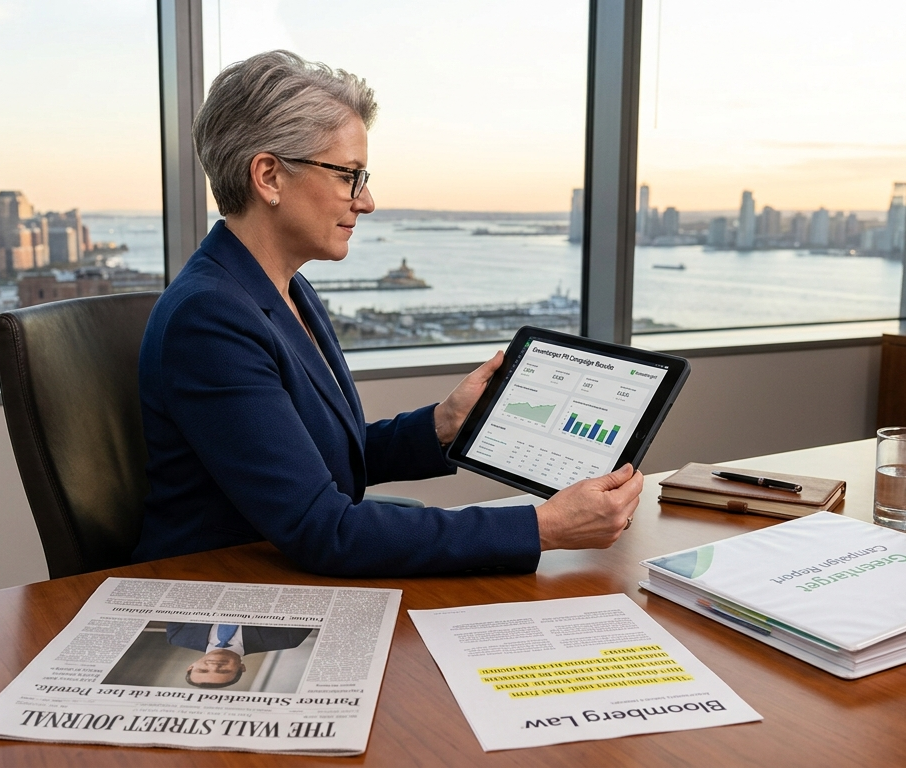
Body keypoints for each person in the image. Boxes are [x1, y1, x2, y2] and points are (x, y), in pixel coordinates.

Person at [134, 50, 642, 577]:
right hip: (218, 591)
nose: (367, 200)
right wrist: (542, 527)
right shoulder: (210, 318)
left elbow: (322, 457)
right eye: (349, 176)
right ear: (269, 176)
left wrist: (442, 425)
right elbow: (324, 529)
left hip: (284, 571)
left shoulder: (286, 289)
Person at [166, 622, 314, 689]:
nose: (214, 666)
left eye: (202, 670)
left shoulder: (178, 636)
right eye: (223, 671)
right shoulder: (287, 639)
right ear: (242, 668)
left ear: (191, 666)